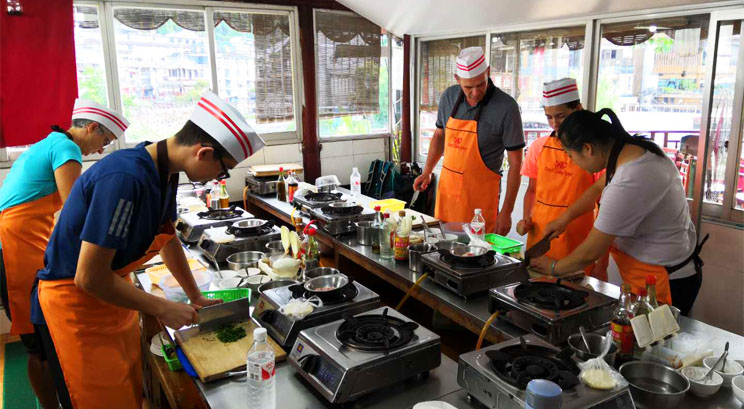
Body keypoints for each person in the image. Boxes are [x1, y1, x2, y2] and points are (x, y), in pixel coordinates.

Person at [29, 90, 265, 409]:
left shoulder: (163, 172)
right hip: (76, 303)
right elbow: (88, 277)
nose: (219, 179)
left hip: (112, 295)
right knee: (98, 400)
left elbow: (167, 239)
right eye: (223, 171)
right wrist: (161, 307)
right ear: (204, 153)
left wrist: (194, 295)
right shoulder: (125, 178)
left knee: (126, 389)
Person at [0, 99, 125, 409]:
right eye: (104, 141)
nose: (100, 150)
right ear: (92, 127)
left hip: (19, 242)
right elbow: (75, 209)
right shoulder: (66, 149)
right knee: (37, 342)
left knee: (38, 341)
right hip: (13, 249)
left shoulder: (51, 143)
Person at [530, 108, 706, 315]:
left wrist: (553, 268)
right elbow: (596, 189)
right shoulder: (631, 152)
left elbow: (591, 252)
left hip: (665, 281)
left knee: (659, 344)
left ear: (588, 149)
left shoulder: (629, 179)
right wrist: (564, 219)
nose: (573, 162)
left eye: (571, 156)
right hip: (653, 272)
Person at [413, 46, 524, 235]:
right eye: (468, 87)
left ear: (487, 72)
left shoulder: (507, 107)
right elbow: (440, 135)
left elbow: (516, 165)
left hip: (480, 205)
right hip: (447, 199)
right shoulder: (449, 96)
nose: (475, 93)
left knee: (478, 257)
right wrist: (427, 171)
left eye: (480, 84)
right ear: (457, 80)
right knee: (443, 253)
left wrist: (507, 211)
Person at [516, 78, 605, 278]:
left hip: (578, 245)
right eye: (549, 117)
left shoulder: (594, 153)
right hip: (540, 241)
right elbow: (532, 190)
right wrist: (526, 218)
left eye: (561, 116)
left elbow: (604, 206)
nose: (554, 123)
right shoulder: (539, 148)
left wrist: (601, 262)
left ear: (578, 109)